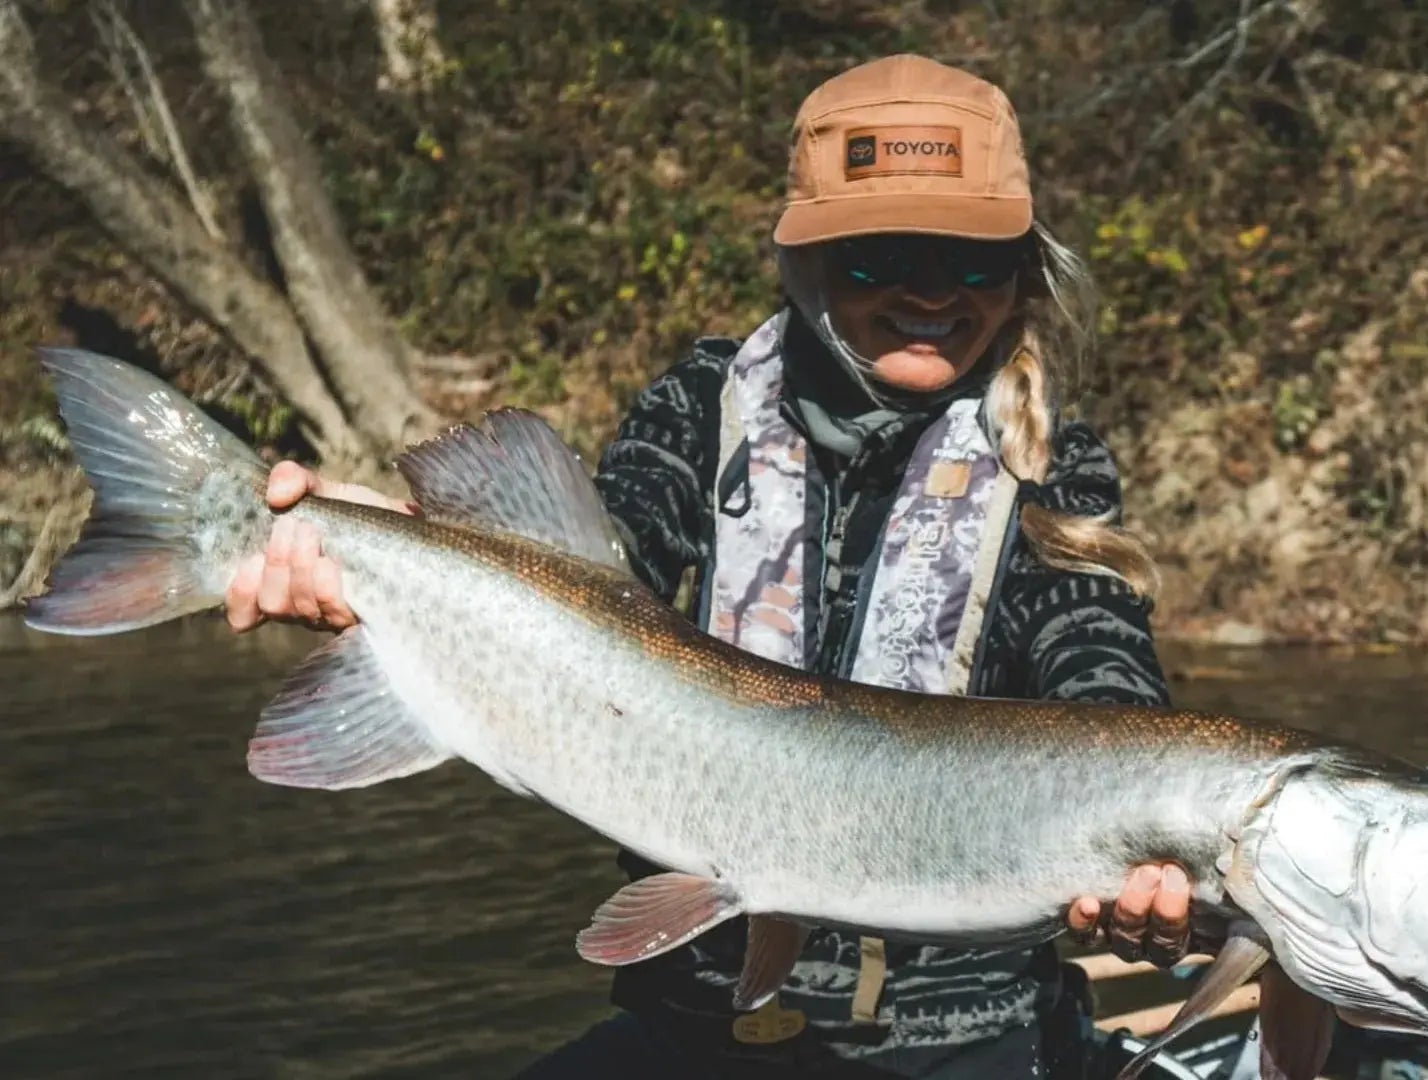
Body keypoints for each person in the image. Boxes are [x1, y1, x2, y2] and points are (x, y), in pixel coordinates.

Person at [225, 53, 1200, 1078]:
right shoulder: (701, 407)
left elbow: (1100, 659)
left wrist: (1155, 840)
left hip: (962, 1042)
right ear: (806, 262)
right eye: (882, 259)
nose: (932, 294)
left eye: (975, 261)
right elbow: (599, 572)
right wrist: (385, 555)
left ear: (1024, 270)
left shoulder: (1057, 461)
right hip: (696, 1017)